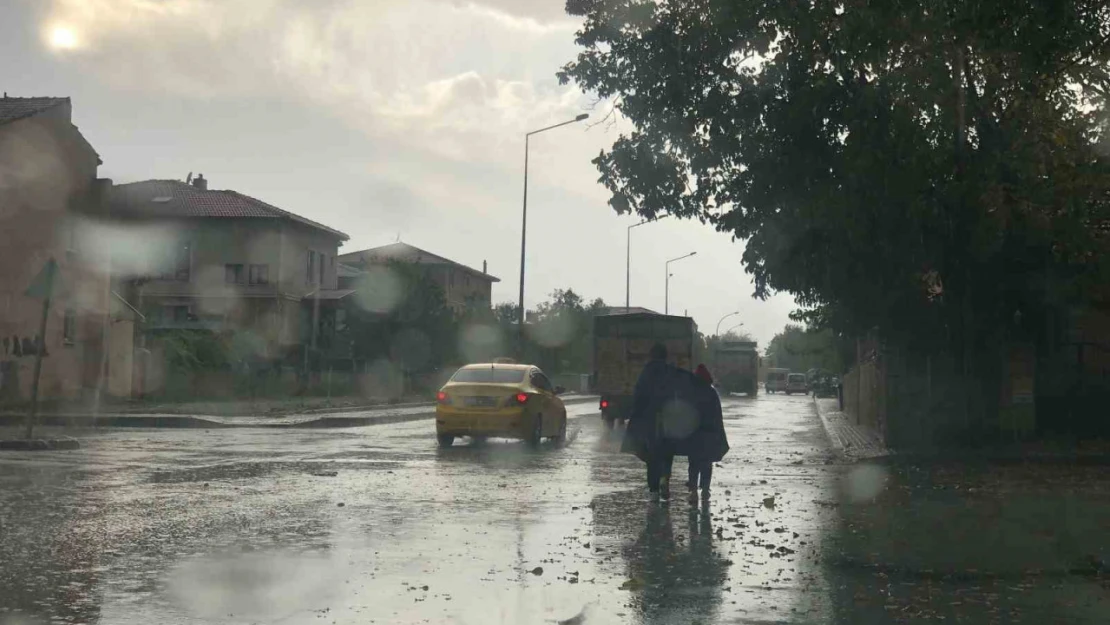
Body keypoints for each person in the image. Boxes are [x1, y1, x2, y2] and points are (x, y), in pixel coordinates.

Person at [621, 342, 678, 501]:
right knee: (667, 452)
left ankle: (653, 490)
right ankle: (665, 480)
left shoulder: (646, 372)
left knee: (652, 455)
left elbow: (638, 396)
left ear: (652, 355)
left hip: (650, 420)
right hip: (668, 419)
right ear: (665, 356)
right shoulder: (670, 372)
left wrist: (635, 417)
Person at [681, 363, 729, 500]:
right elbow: (718, 416)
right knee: (706, 463)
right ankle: (705, 490)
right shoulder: (712, 393)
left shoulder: (690, 393)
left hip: (694, 435)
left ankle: (693, 491)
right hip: (709, 435)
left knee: (694, 463)